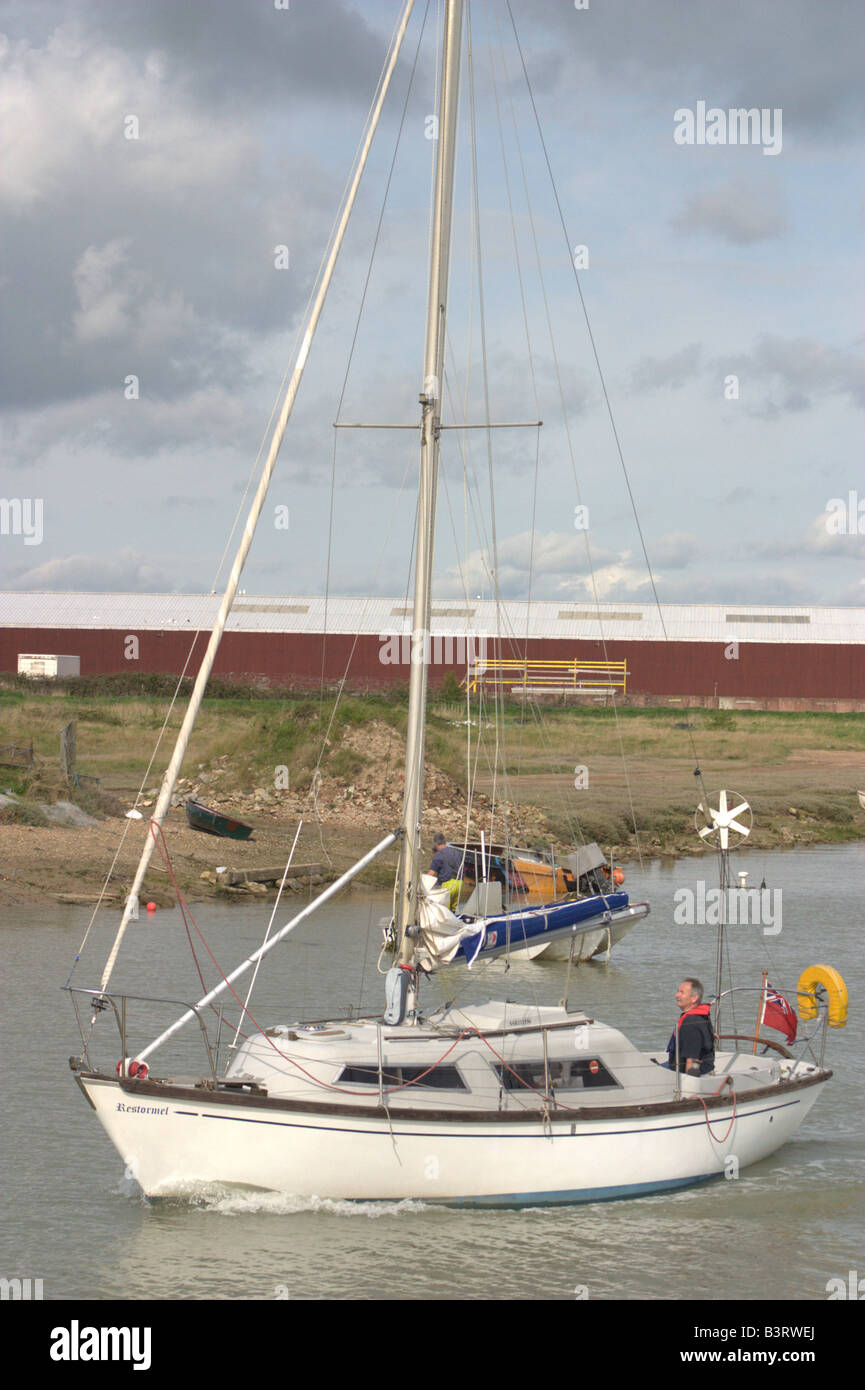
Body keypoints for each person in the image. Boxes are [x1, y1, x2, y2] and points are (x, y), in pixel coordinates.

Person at [666, 977, 715, 1075]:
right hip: (698, 1067)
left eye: (681, 992)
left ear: (694, 998)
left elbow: (691, 1059)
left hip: (688, 1073)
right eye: (677, 991)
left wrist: (689, 1082)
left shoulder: (691, 1022)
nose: (676, 995)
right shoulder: (699, 1017)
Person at [429, 833, 464, 911]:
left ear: (436, 844)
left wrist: (423, 887)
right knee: (453, 911)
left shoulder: (438, 855)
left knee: (445, 911)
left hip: (448, 885)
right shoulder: (457, 852)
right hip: (459, 884)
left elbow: (431, 874)